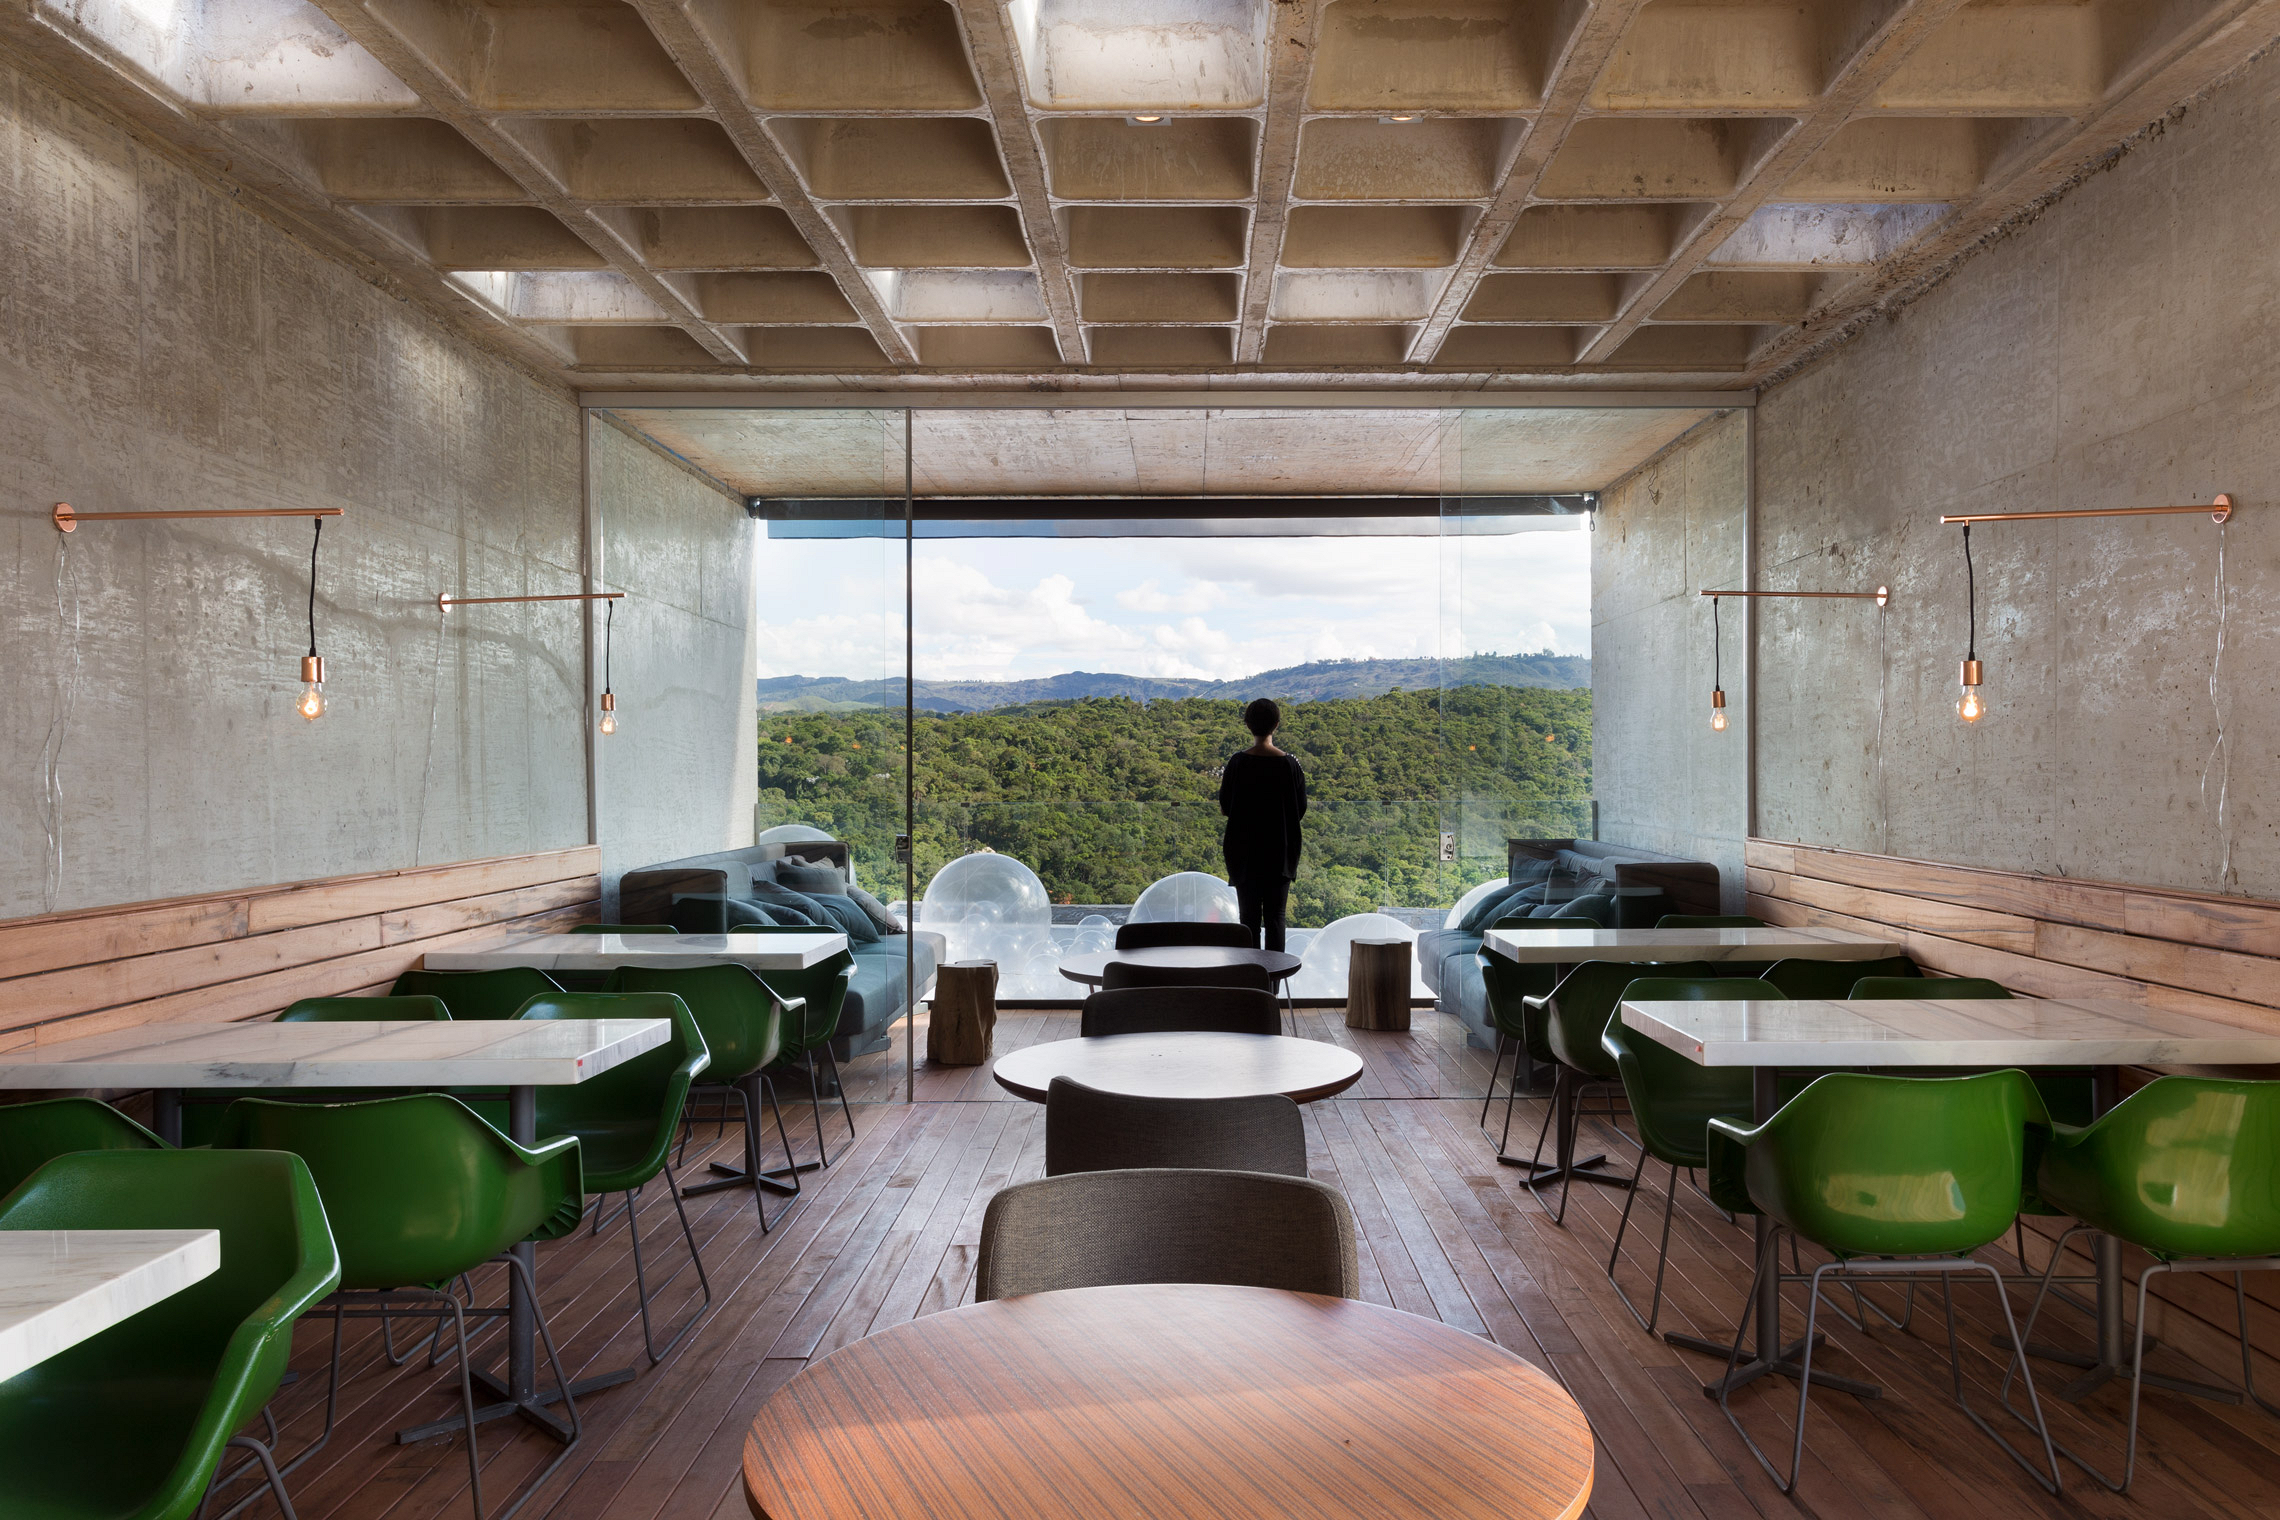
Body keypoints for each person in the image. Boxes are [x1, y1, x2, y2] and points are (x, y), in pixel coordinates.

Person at [1219, 698, 1307, 953]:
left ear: (1247, 724)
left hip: (1244, 852)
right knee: (1276, 917)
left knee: (1248, 920)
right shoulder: (1290, 764)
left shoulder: (1237, 763)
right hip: (1280, 852)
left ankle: (1250, 974)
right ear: (1276, 725)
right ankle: (1275, 976)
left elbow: (1226, 806)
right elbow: (1299, 810)